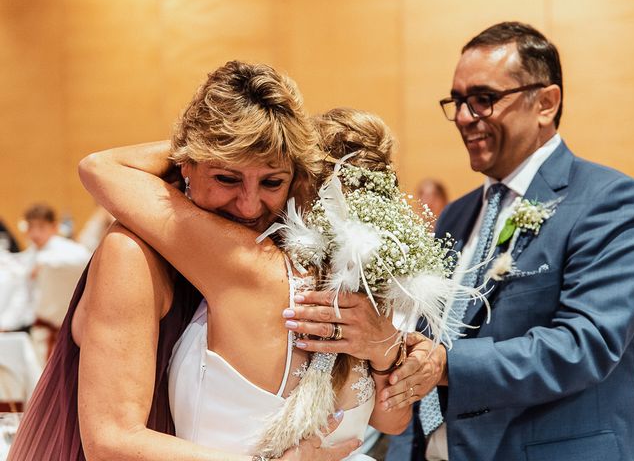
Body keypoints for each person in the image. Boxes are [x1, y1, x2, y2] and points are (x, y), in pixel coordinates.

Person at [9, 62, 360, 461]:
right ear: (185, 166)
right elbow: (110, 442)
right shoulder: (131, 255)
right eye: (226, 179)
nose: (248, 205)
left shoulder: (269, 254)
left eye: (271, 182)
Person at [77, 107, 425, 459]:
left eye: (272, 179)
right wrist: (388, 352)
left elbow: (101, 168)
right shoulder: (371, 293)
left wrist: (208, 146)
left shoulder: (244, 262)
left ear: (298, 181)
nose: (249, 204)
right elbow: (392, 420)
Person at [397, 21, 634, 460]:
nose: (466, 117)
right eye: (458, 102)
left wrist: (448, 366)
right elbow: (421, 339)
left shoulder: (610, 201)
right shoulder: (456, 215)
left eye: (484, 100)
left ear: (546, 103)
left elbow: (584, 344)